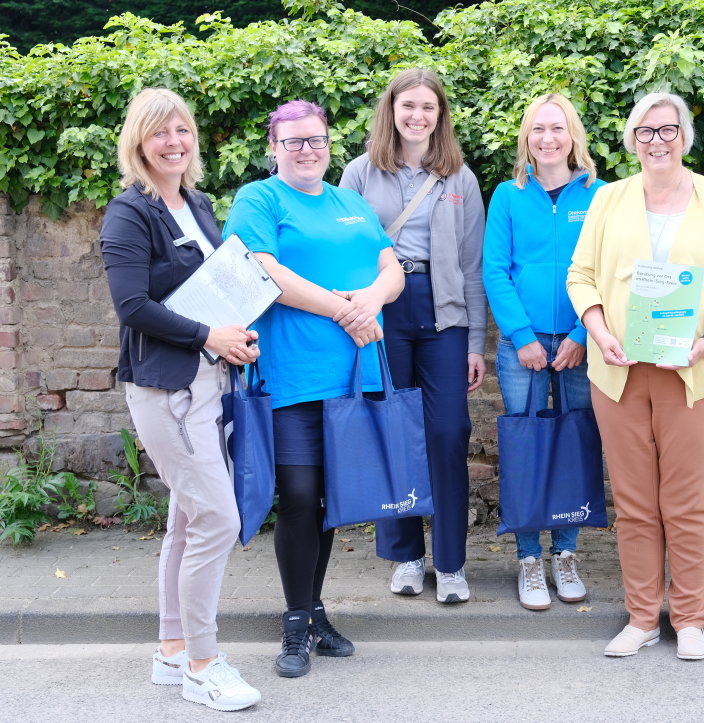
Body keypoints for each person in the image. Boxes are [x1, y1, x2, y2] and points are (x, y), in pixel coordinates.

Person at [566, 92, 704, 660]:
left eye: (668, 130)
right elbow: (581, 276)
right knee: (632, 501)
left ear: (685, 137)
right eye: (645, 131)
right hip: (619, 372)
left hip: (694, 374)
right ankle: (640, 617)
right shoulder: (609, 198)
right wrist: (598, 331)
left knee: (688, 500)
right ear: (632, 140)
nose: (657, 140)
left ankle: (691, 618)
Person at [223, 100, 404, 677]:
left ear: (330, 144)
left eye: (316, 140)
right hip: (292, 376)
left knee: (329, 503)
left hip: (354, 377)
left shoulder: (351, 202)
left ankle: (314, 610)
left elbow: (391, 266)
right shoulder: (259, 199)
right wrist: (344, 311)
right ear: (273, 147)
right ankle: (296, 624)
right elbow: (264, 271)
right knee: (299, 498)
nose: (306, 150)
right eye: (294, 141)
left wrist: (372, 299)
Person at [100, 87, 262, 711]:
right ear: (138, 142)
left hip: (207, 379)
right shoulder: (128, 212)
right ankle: (202, 662)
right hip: (164, 387)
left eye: (182, 131)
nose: (173, 142)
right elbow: (132, 306)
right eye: (159, 132)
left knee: (189, 518)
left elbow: (211, 286)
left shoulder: (194, 202)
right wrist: (207, 335)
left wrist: (233, 335)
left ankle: (172, 650)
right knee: (218, 519)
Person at [339, 68, 486, 604]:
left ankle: (450, 564)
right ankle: (405, 557)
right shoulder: (358, 175)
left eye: (428, 107)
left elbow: (472, 269)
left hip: (442, 316)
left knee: (448, 434)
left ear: (440, 114)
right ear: (392, 110)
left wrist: (474, 345)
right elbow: (344, 253)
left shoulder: (460, 179)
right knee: (391, 431)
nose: (418, 116)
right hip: (382, 313)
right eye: (409, 106)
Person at [483, 93, 605, 611]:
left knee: (578, 442)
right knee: (526, 447)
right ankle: (530, 559)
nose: (547, 138)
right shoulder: (508, 196)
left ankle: (567, 552)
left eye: (557, 128)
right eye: (538, 129)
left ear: (572, 135)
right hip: (524, 345)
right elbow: (496, 270)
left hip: (582, 341)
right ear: (526, 138)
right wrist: (522, 336)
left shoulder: (601, 195)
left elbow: (607, 270)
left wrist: (581, 335)